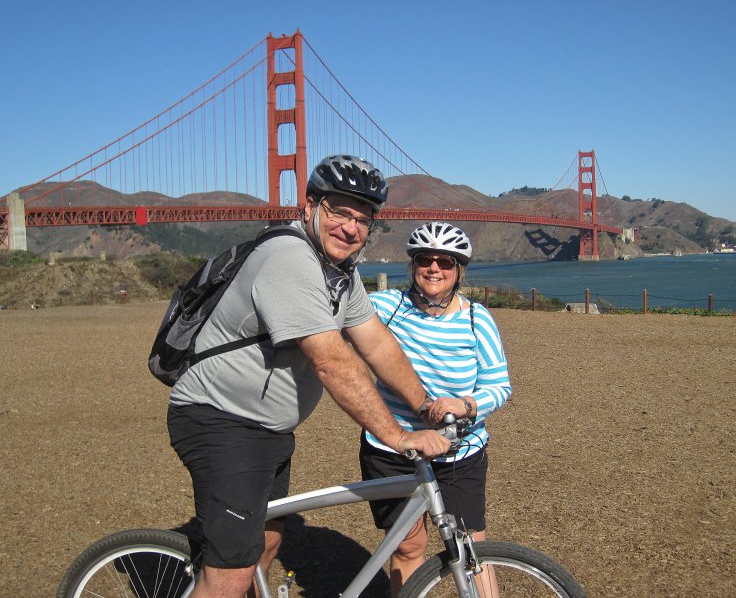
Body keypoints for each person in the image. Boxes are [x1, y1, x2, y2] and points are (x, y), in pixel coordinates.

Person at [166, 155, 451, 598]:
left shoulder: (339, 272)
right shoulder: (289, 259)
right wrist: (398, 437)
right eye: (339, 211)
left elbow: (376, 343)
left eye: (363, 219)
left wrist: (424, 405)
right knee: (232, 569)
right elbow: (331, 361)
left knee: (268, 540)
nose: (352, 228)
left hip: (267, 429)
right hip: (220, 419)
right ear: (310, 206)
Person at [360, 221, 512, 597]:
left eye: (445, 261)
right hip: (394, 449)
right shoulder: (386, 308)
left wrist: (466, 404)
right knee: (408, 546)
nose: (434, 268)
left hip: (459, 452)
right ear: (413, 266)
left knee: (471, 545)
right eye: (425, 259)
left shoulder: (477, 319)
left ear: (458, 270)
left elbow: (500, 386)